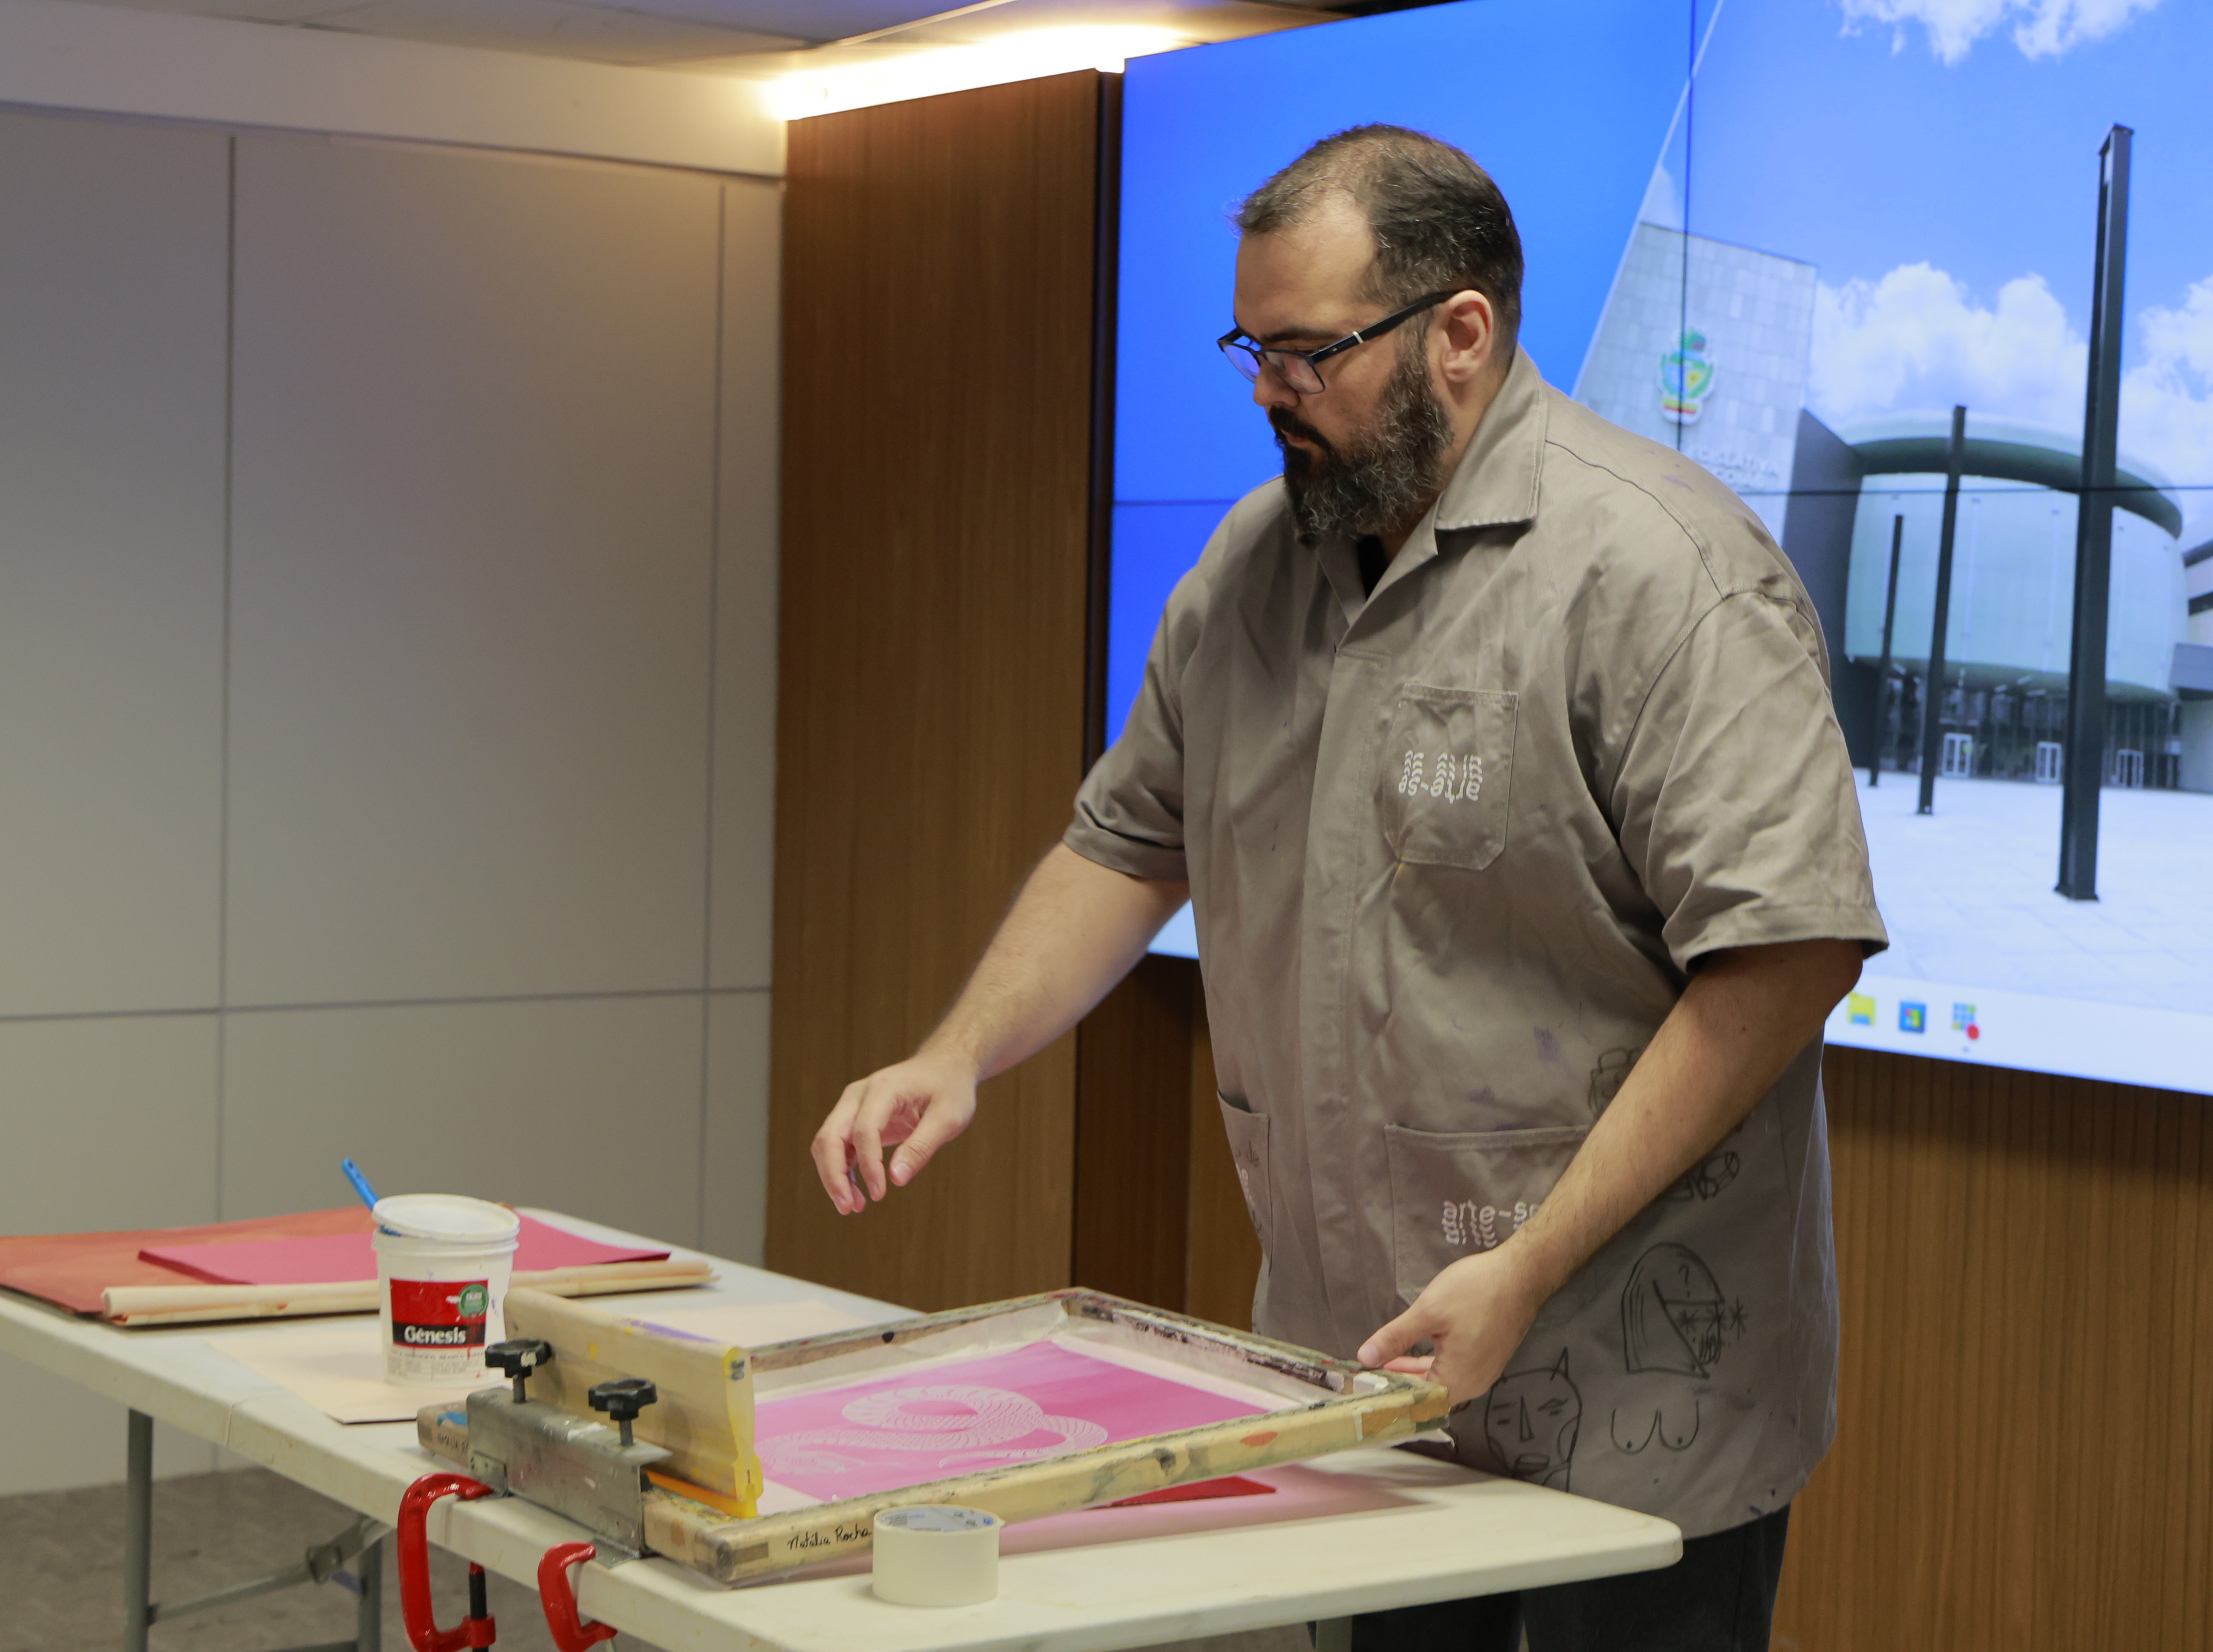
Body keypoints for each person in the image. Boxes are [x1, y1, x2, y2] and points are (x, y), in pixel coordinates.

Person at [808, 124, 1885, 1652]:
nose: (1269, 391)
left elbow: (1787, 952)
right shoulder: (1250, 571)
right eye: (1253, 350)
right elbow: (1128, 842)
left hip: (1631, 1373)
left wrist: (1528, 1262)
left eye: (1309, 353)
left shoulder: (1662, 570)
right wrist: (958, 1051)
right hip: (1364, 1378)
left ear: (1462, 333)